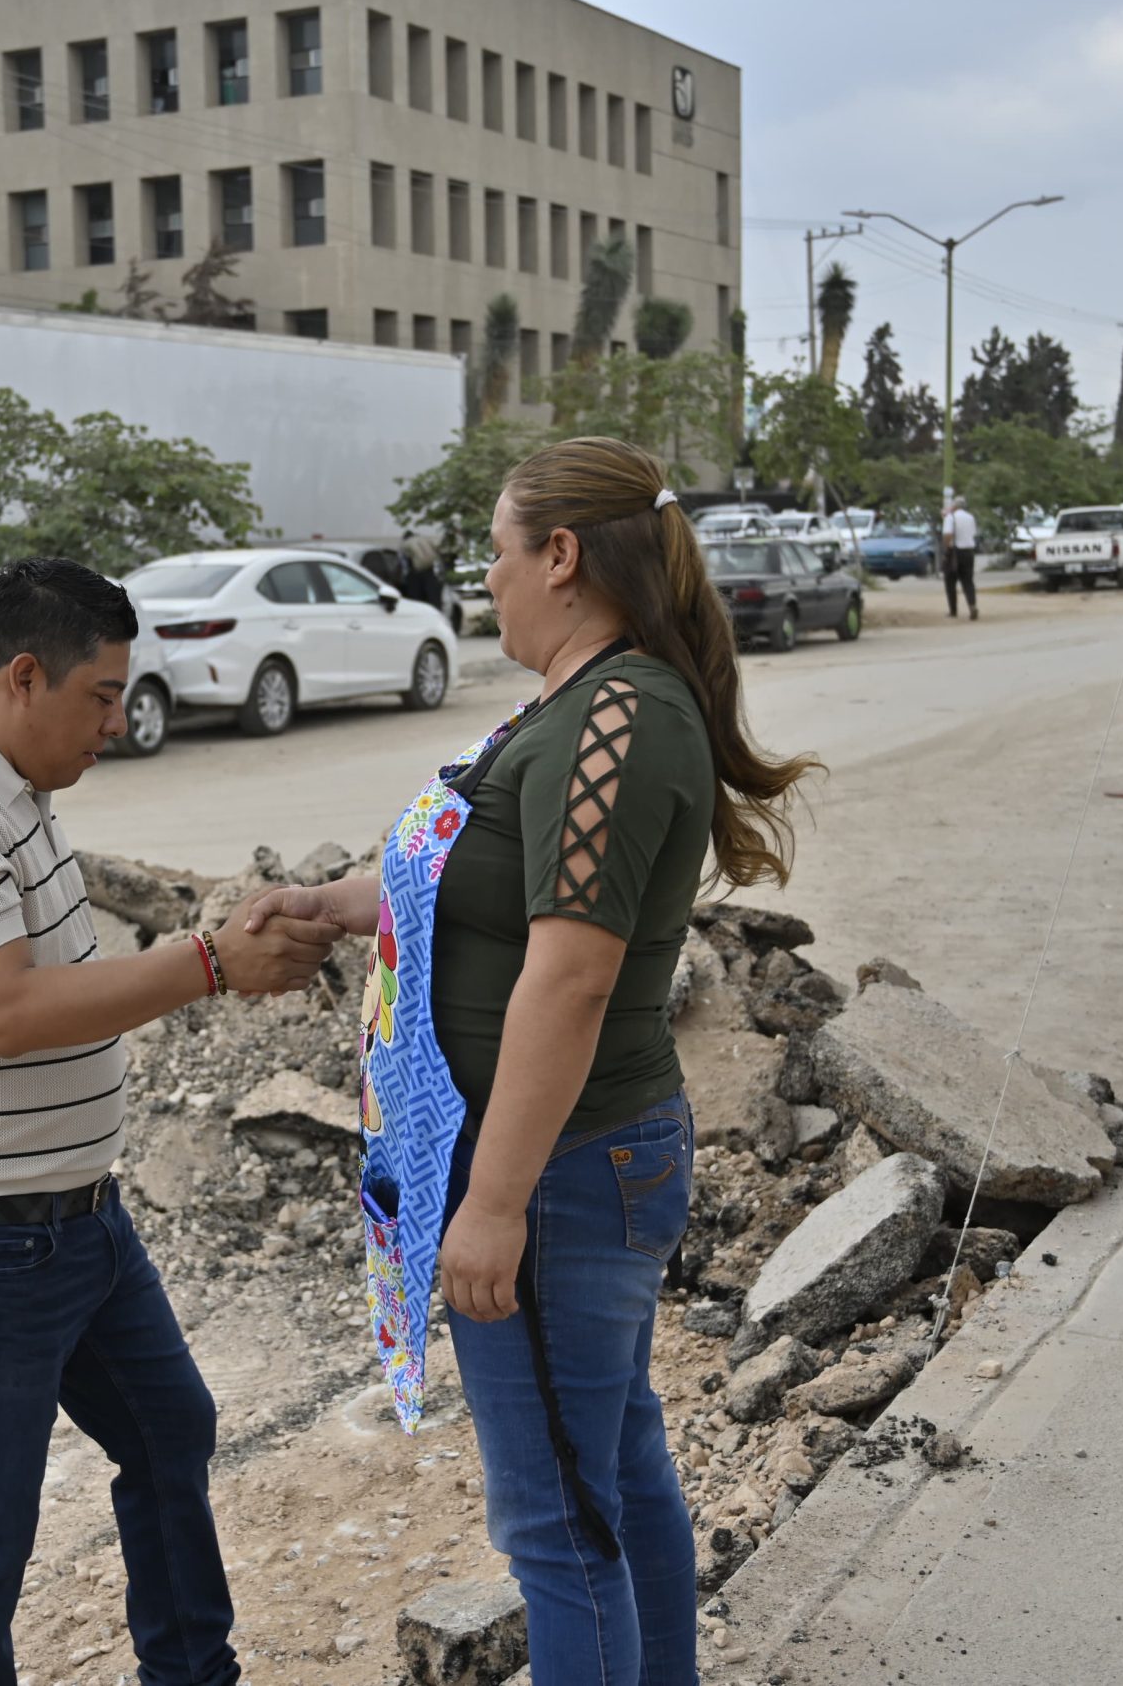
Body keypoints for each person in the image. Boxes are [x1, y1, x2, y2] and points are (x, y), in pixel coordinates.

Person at [244, 437, 815, 1685]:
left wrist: (492, 1205)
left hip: (554, 1174)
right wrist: (346, 903)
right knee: (612, 1471)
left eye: (494, 555)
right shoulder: (588, 702)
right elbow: (480, 885)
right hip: (573, 1164)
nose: (482, 581)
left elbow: (570, 972)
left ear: (560, 557)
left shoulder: (612, 717)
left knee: (558, 1529)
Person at [0, 557, 342, 1686]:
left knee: (170, 1433)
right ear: (24, 675)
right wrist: (212, 964)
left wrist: (214, 946)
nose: (116, 721)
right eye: (100, 695)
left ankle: (191, 1673)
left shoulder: (7, 784)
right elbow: (9, 1011)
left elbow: (55, 979)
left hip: (78, 1221)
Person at [941, 497, 980, 619]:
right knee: (968, 581)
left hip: (954, 552)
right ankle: (972, 605)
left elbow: (948, 534)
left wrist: (946, 548)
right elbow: (973, 534)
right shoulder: (970, 517)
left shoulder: (950, 517)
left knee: (950, 582)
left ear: (955, 506)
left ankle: (953, 610)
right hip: (968, 552)